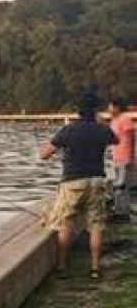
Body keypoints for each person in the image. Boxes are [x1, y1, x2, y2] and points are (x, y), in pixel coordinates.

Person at [39, 89, 117, 278]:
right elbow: (116, 140)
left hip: (73, 181)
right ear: (95, 111)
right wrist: (102, 123)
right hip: (97, 180)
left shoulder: (69, 130)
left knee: (65, 223)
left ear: (79, 111)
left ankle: (61, 266)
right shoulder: (102, 129)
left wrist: (47, 147)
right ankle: (95, 268)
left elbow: (44, 154)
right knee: (96, 225)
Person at [107, 97, 134, 222]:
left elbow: (131, 138)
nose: (109, 109)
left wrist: (130, 157)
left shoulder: (125, 119)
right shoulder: (113, 121)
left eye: (111, 106)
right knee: (116, 185)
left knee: (121, 186)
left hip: (125, 157)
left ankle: (123, 213)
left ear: (117, 107)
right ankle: (118, 210)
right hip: (116, 158)